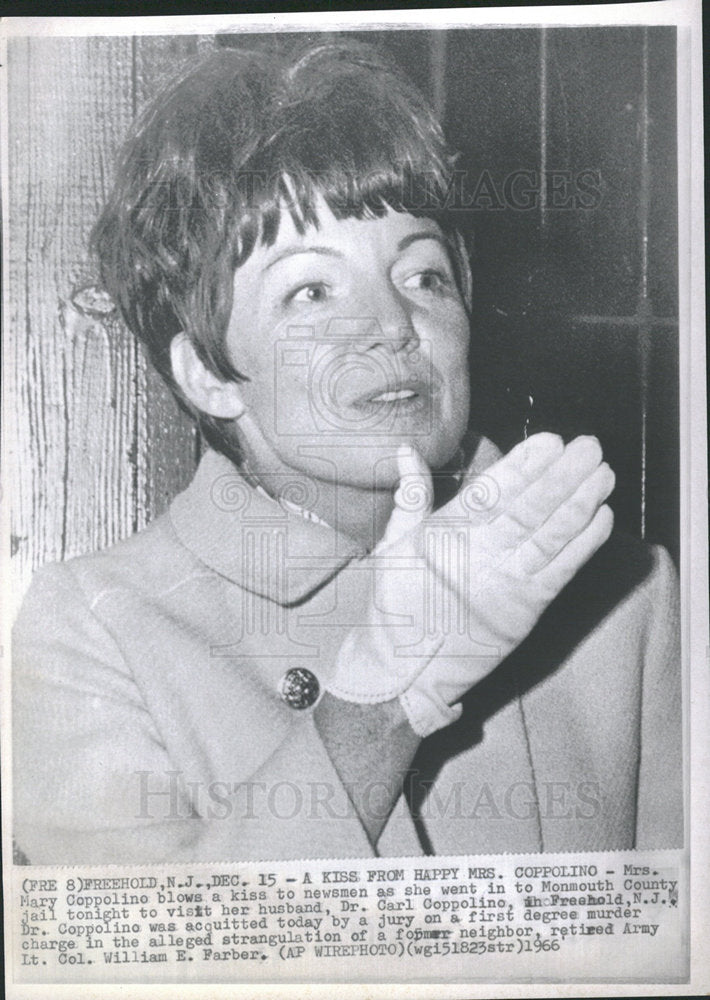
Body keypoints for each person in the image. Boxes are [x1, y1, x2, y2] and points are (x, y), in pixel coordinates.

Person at [12, 41, 681, 864]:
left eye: (424, 275)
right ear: (212, 373)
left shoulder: (629, 600)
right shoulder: (99, 627)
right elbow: (133, 975)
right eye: (312, 291)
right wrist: (378, 705)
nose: (394, 326)